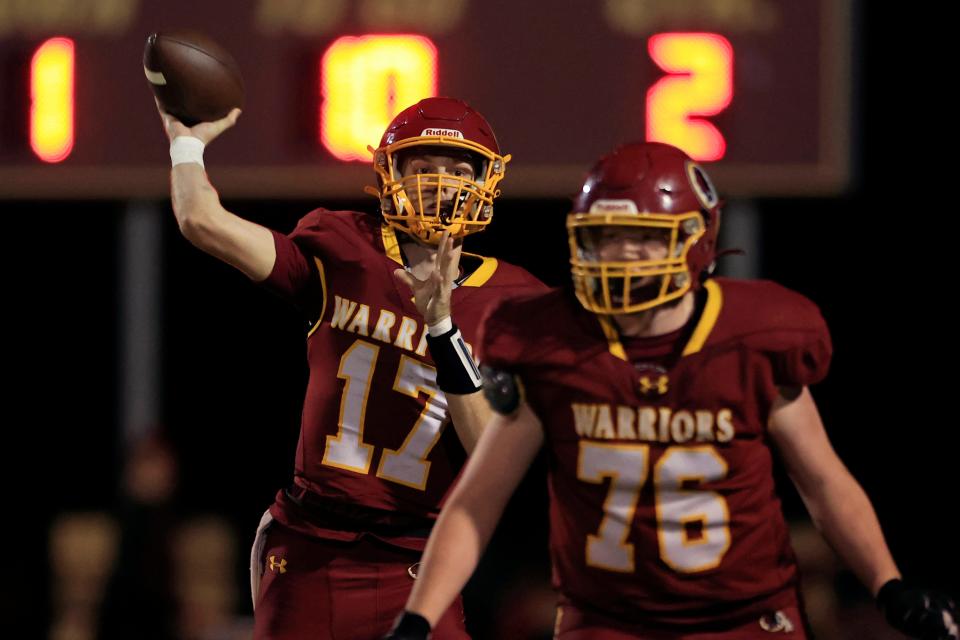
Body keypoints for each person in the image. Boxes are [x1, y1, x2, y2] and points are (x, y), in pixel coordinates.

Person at [386, 142, 959, 639]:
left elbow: (823, 481)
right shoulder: (549, 343)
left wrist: (889, 585)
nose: (619, 254)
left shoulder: (757, 337)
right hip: (607, 619)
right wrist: (417, 620)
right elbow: (477, 501)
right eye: (605, 237)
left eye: (640, 237)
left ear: (695, 240)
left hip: (743, 615)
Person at [155, 95, 543, 639]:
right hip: (313, 546)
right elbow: (202, 220)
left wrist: (442, 328)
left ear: (485, 183)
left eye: (458, 170)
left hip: (419, 559)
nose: (440, 183)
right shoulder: (343, 247)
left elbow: (488, 451)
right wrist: (185, 142)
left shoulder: (517, 302)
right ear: (390, 176)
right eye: (423, 167)